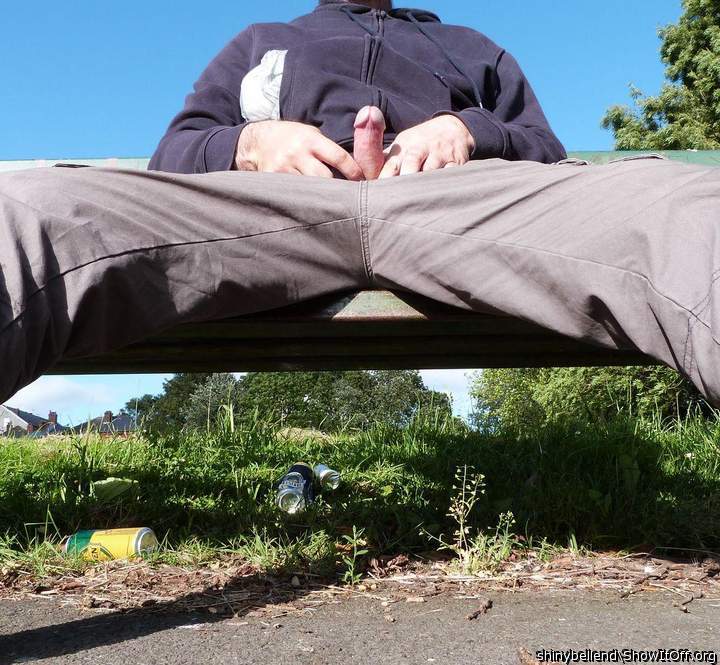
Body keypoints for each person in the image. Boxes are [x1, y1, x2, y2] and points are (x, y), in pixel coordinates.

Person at [1, 0, 719, 407]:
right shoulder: (263, 40)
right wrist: (251, 142)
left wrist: (468, 128)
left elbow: (543, 149)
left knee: (688, 209)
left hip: (456, 204)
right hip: (268, 207)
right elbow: (178, 151)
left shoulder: (473, 47)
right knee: (24, 212)